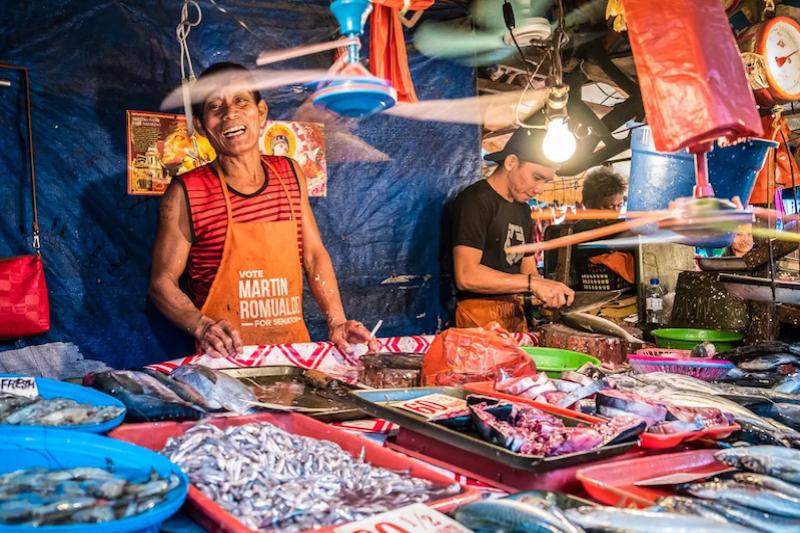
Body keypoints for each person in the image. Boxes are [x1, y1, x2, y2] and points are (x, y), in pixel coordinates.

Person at [149, 62, 379, 358]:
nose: (229, 113)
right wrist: (202, 326)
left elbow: (313, 255)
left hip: (290, 352)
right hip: (226, 361)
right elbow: (161, 283)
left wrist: (336, 321)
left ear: (261, 113)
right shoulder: (187, 192)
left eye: (240, 101)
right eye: (214, 107)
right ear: (204, 127)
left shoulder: (290, 173)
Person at [451, 127, 575, 332]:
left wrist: (549, 289)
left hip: (513, 317)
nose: (540, 189)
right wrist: (531, 284)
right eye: (537, 177)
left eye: (545, 181)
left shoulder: (523, 211)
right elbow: (466, 276)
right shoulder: (475, 201)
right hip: (476, 320)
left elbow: (528, 268)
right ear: (511, 162)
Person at [569, 167, 635, 288]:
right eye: (609, 207)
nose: (616, 212)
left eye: (619, 205)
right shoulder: (580, 229)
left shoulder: (618, 227)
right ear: (589, 205)